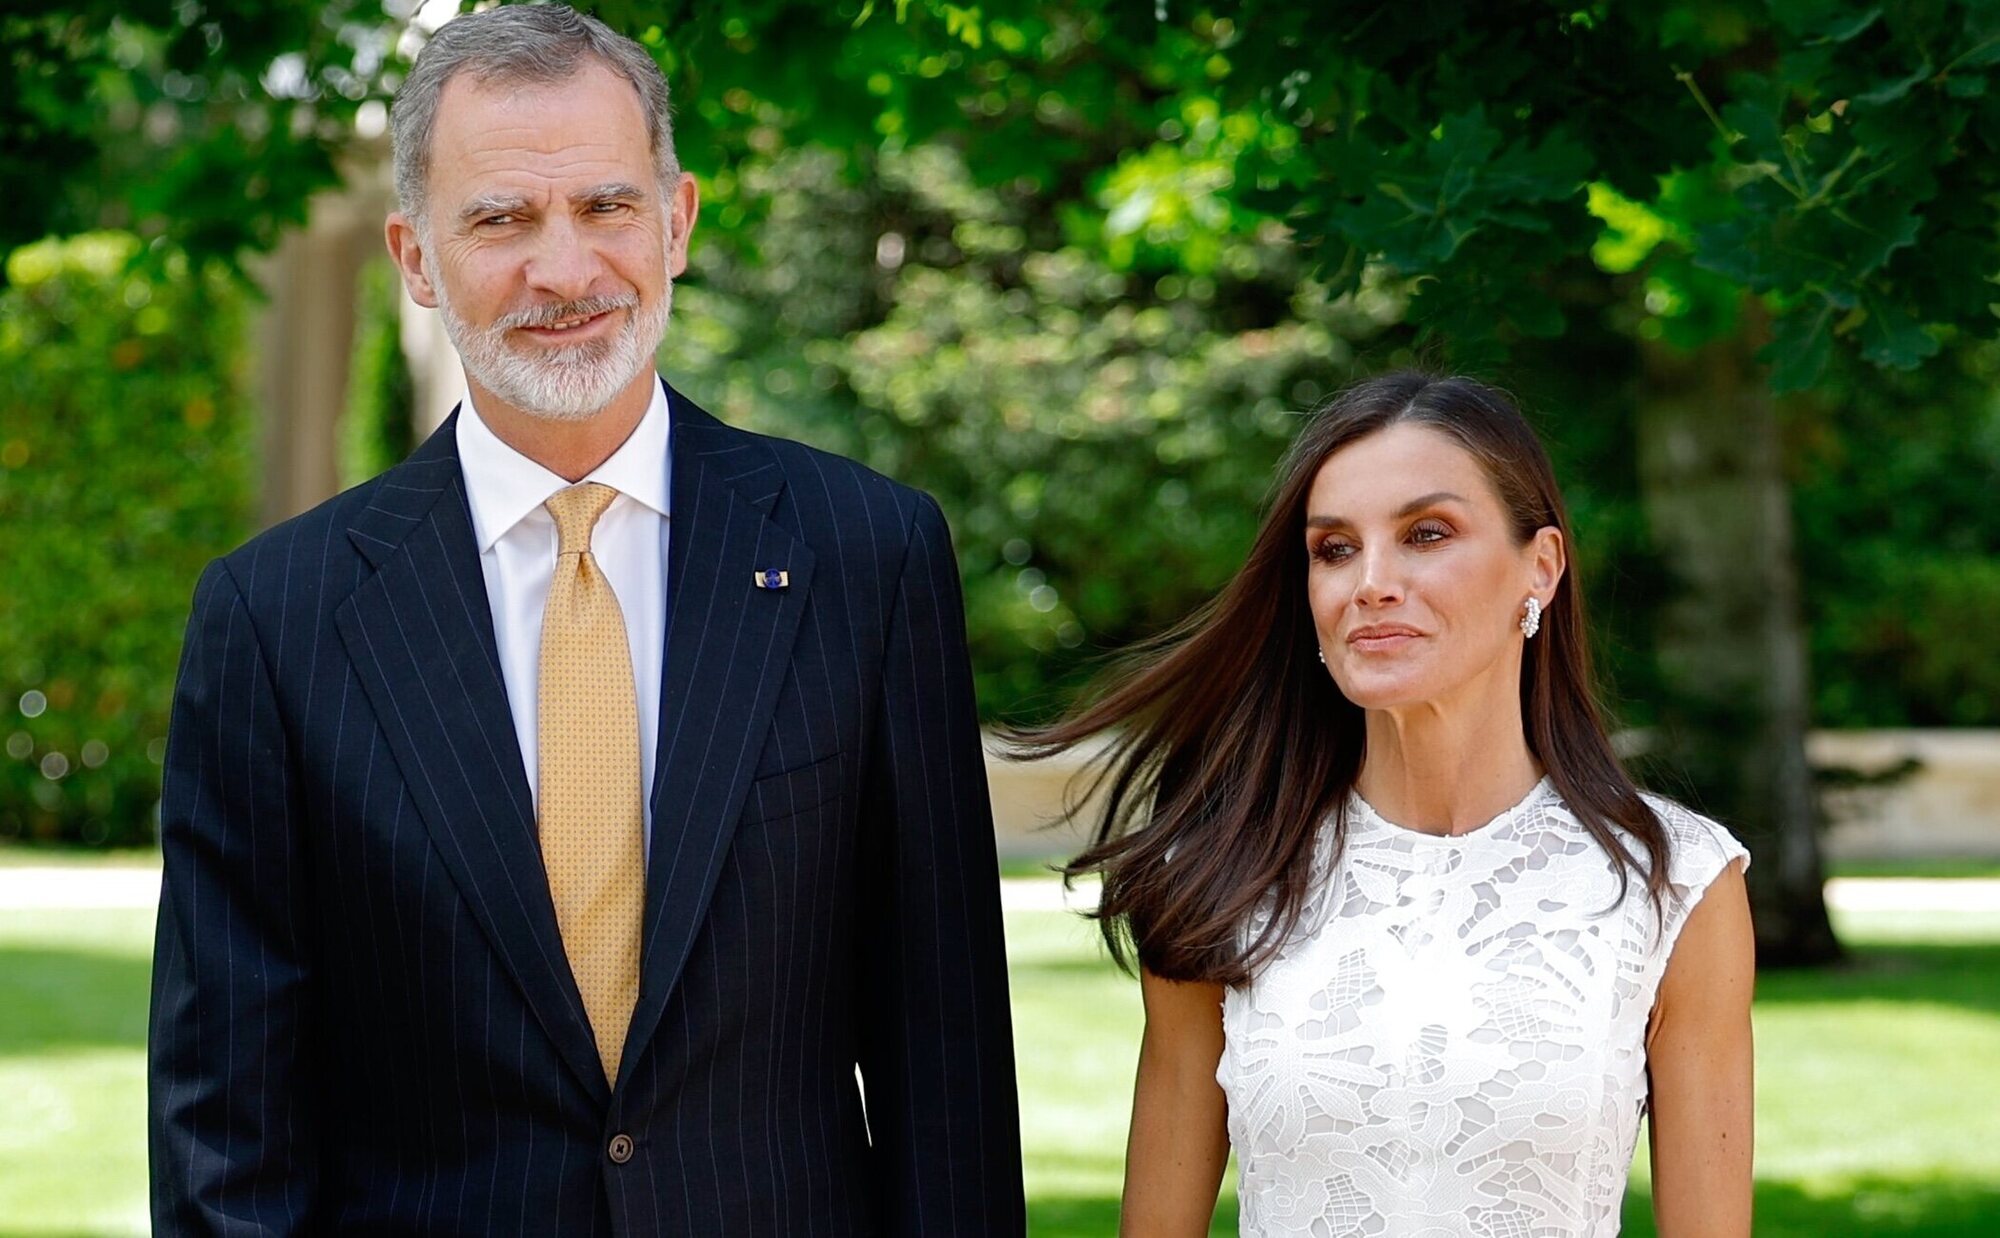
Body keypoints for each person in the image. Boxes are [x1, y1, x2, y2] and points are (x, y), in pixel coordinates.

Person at [147, 6, 1024, 1233]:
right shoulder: (273, 618)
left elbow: (947, 1061)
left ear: (677, 221)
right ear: (414, 256)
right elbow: (223, 1123)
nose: (563, 271)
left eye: (606, 206)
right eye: (501, 218)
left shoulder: (864, 557)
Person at [1014, 372, 1754, 1236]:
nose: (1371, 582)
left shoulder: (1676, 880)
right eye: (1333, 549)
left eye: (1426, 534)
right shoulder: (1221, 876)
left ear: (1541, 569)